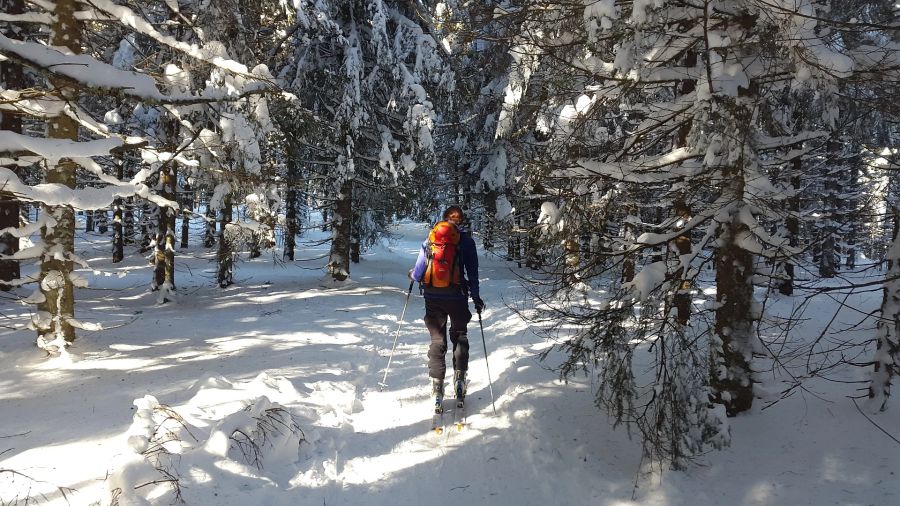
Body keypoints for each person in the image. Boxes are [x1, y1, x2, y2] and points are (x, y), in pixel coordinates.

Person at [409, 206, 485, 412]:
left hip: (433, 296)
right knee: (459, 336)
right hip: (457, 296)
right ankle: (460, 380)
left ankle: (437, 386)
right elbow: (473, 272)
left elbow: (418, 271)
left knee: (437, 340)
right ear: (460, 221)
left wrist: (413, 276)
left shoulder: (430, 239)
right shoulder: (466, 242)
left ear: (443, 219)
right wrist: (475, 296)